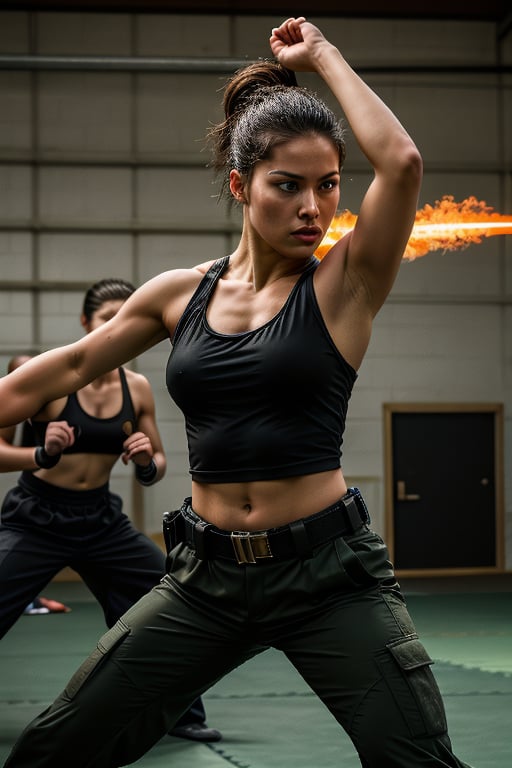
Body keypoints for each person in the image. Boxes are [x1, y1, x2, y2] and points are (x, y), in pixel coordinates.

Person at [0, 16, 473, 768]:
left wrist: (322, 56)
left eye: (326, 186)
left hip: (329, 579)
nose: (312, 208)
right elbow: (65, 367)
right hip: (204, 581)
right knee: (54, 749)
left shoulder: (344, 282)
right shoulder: (177, 294)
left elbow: (403, 162)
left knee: (415, 761)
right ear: (240, 186)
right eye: (287, 186)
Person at [0, 279, 220, 744]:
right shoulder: (55, 375)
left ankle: (182, 715)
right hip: (37, 516)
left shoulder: (136, 387)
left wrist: (145, 460)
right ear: (86, 324)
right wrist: (40, 454)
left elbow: (158, 464)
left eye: (126, 319)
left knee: (170, 599)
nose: (118, 329)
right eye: (107, 321)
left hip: (99, 519)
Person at [0, 355, 71, 616]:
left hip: (89, 505)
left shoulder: (59, 393)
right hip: (38, 500)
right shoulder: (14, 404)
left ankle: (33, 599)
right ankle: (31, 599)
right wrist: (40, 454)